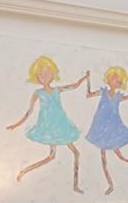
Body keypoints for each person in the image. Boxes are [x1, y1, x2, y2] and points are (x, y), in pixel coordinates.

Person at [7, 55, 88, 193]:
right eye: (41, 75)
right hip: (49, 127)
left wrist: (85, 78)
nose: (44, 77)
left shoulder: (57, 90)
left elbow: (74, 86)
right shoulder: (38, 93)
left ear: (52, 75)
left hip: (62, 126)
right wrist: (16, 124)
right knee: (53, 156)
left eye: (47, 74)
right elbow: (29, 111)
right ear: (37, 77)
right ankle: (24, 170)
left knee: (74, 153)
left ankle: (75, 186)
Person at [85, 66, 128, 195]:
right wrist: (88, 79)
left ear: (121, 83)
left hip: (113, 128)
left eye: (118, 80)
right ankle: (110, 184)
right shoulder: (103, 92)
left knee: (119, 156)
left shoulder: (118, 96)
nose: (115, 81)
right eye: (113, 78)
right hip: (100, 127)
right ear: (109, 79)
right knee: (103, 157)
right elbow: (88, 95)